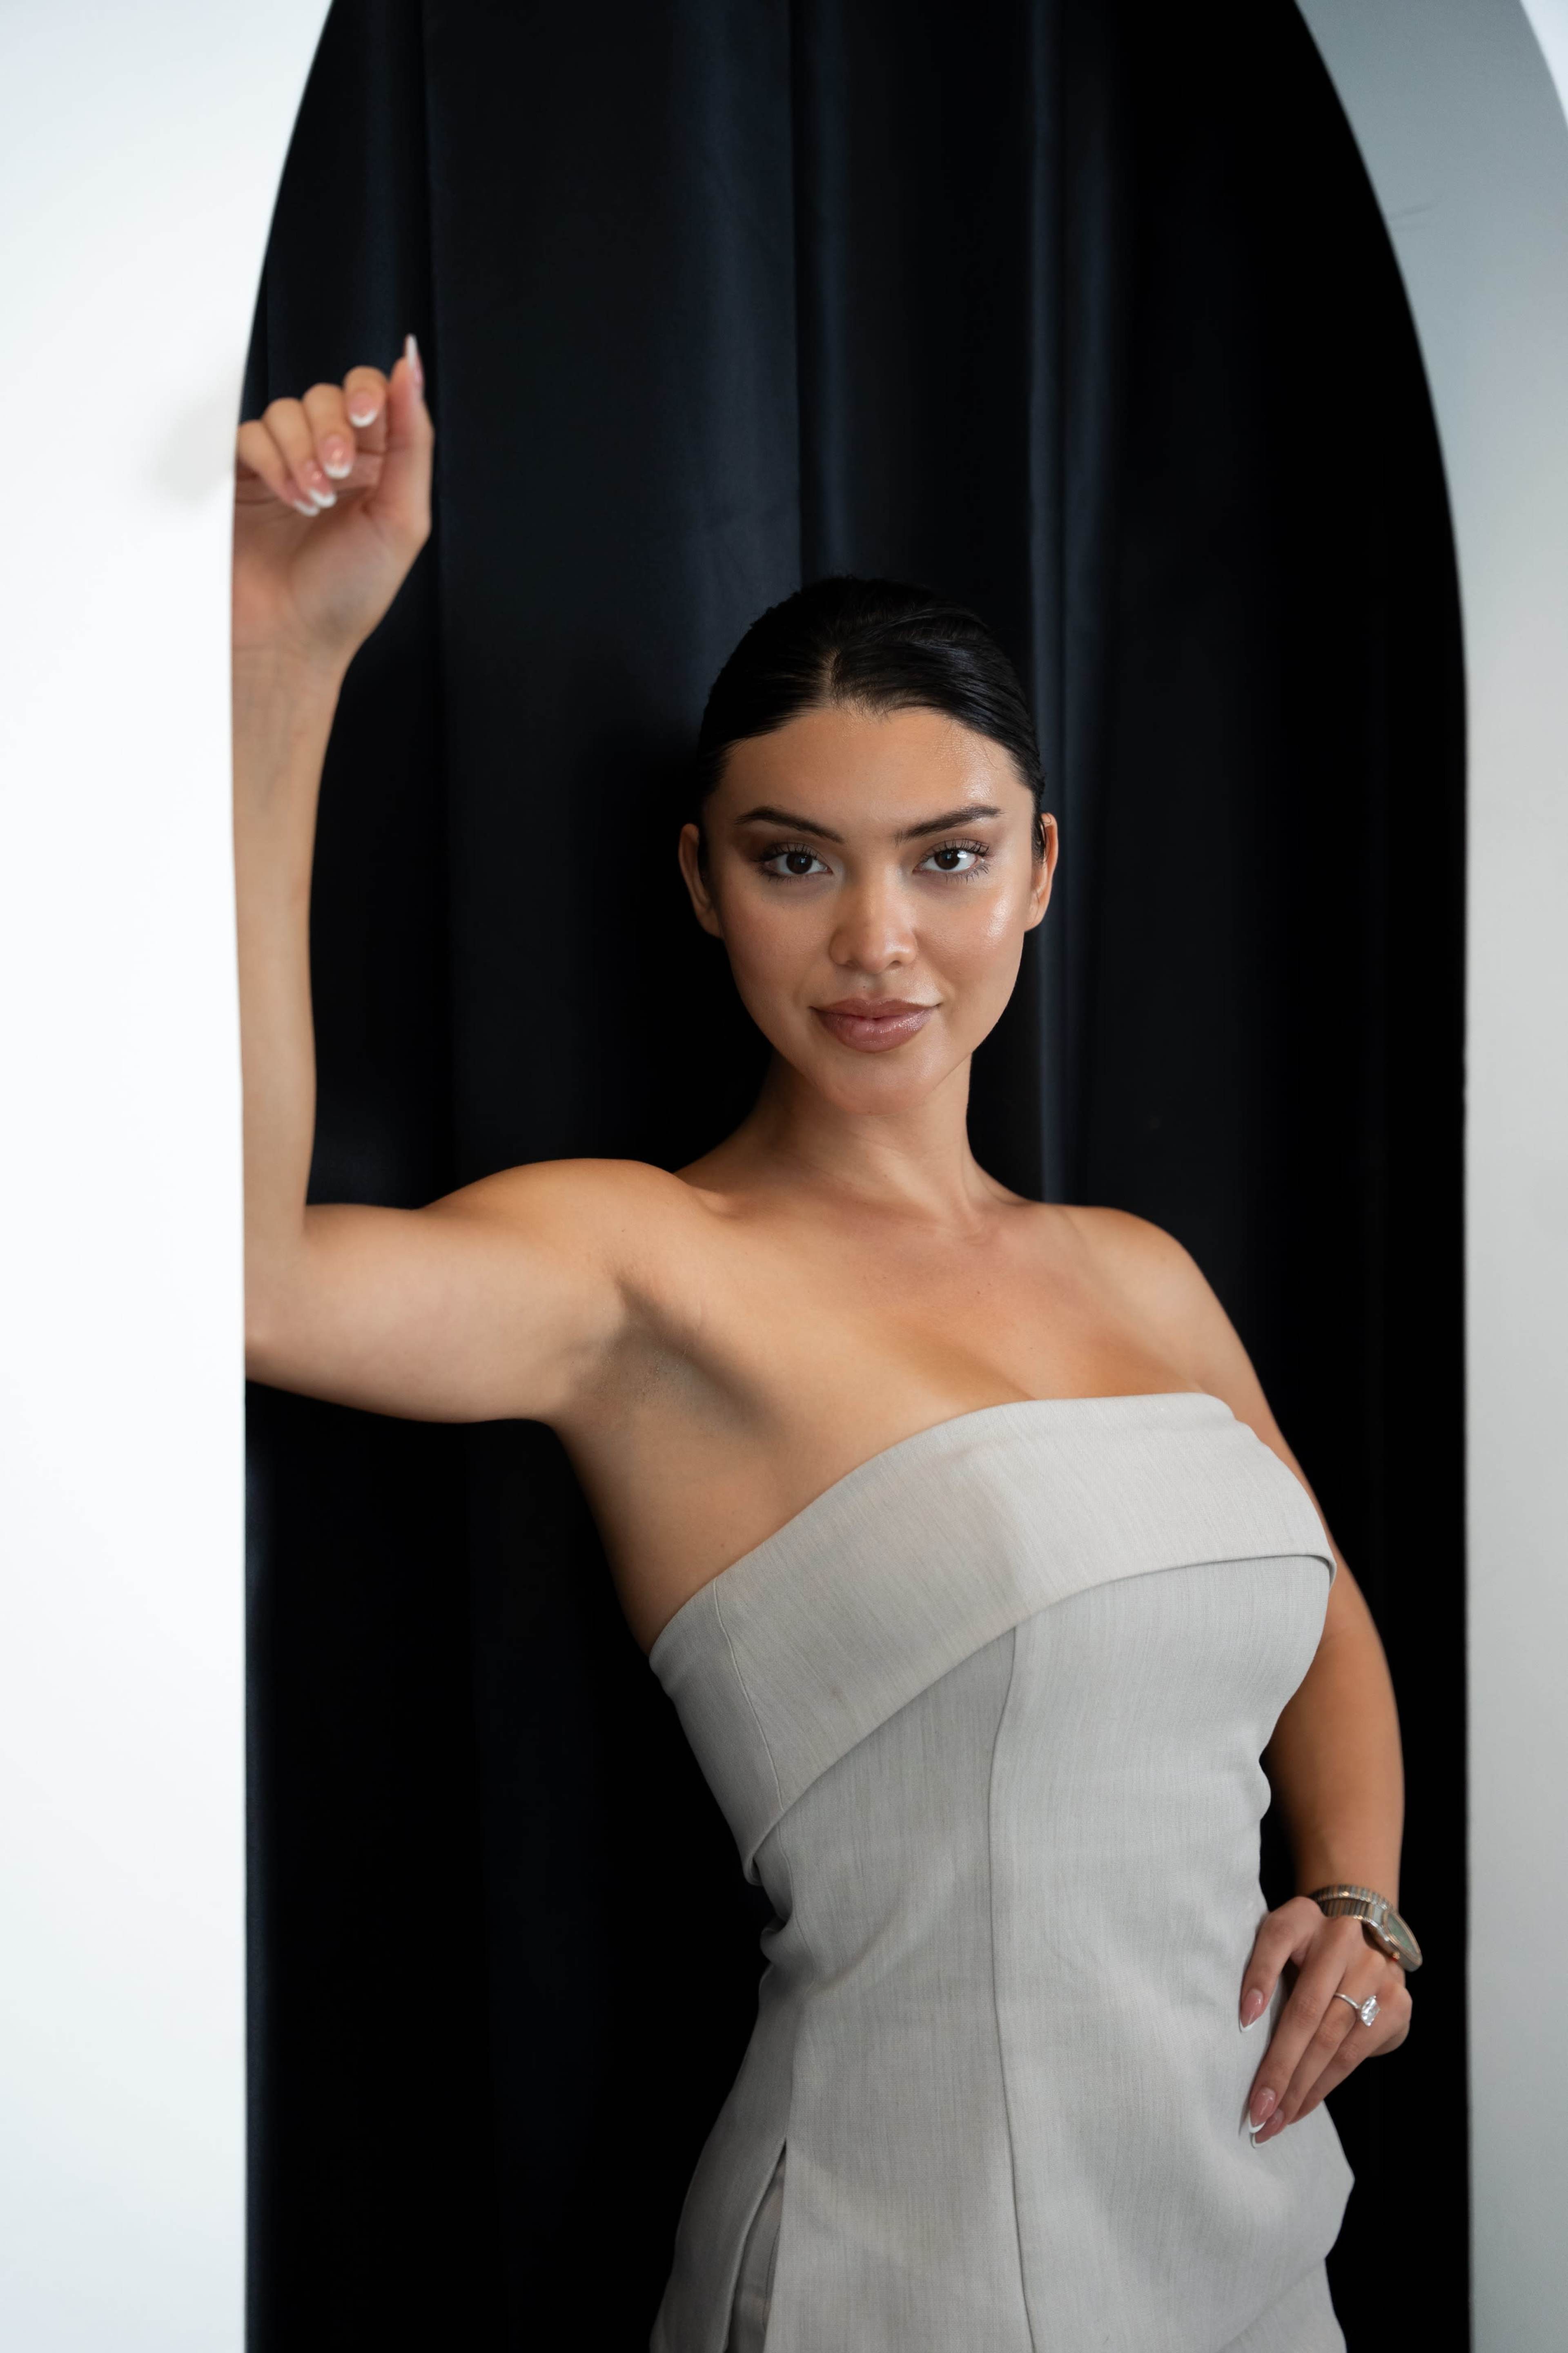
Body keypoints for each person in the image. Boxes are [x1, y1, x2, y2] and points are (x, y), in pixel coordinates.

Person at [234, 344, 1417, 2353]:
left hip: (1243, 2237)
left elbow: (1320, 1616)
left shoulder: (1140, 1271)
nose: (879, 940)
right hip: (901, 2263)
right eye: (798, 860)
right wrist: (288, 653)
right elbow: (247, 1278)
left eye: (946, 857)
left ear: (1040, 871)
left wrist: (1365, 1899)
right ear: (704, 882)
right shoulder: (645, 1267)